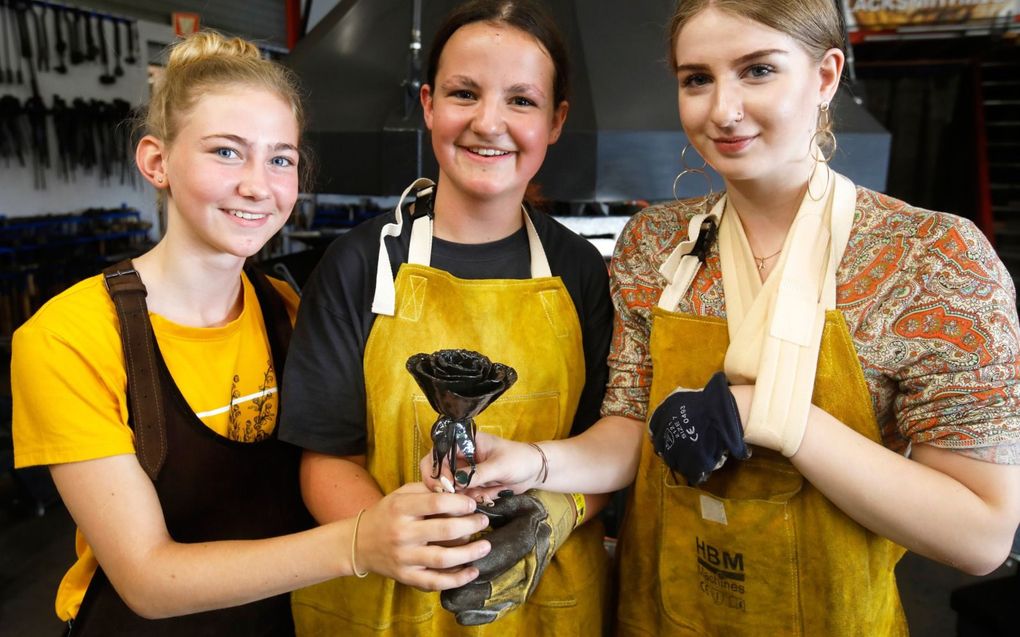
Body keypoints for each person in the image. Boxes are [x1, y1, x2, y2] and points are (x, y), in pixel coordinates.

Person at [445, 0, 1020, 634]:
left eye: (758, 71)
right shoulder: (655, 245)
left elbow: (979, 534)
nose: (722, 110)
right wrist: (533, 462)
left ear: (826, 76)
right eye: (697, 79)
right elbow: (631, 430)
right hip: (657, 615)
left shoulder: (930, 260)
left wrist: (770, 417)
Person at [11, 31, 490, 636]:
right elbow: (148, 579)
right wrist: (359, 544)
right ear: (157, 161)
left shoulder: (286, 308)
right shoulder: (69, 338)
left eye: (280, 158)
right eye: (226, 152)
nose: (258, 186)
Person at [277, 0, 615, 634]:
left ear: (556, 119)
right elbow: (326, 460)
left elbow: (609, 451)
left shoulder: (580, 273)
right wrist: (401, 542)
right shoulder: (359, 265)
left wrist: (552, 517)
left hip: (543, 610)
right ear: (429, 105)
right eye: (465, 93)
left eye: (522, 100)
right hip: (383, 604)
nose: (490, 123)